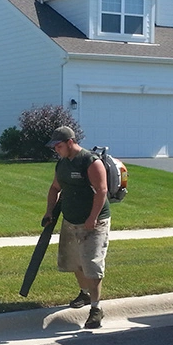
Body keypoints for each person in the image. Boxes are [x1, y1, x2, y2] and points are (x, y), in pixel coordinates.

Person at [42, 126, 111, 329]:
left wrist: (92, 217)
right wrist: (49, 211)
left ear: (70, 142)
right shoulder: (62, 163)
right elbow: (55, 188)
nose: (56, 149)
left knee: (92, 264)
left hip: (94, 223)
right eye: (54, 146)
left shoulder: (90, 161)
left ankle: (96, 309)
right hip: (70, 221)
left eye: (59, 146)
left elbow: (102, 191)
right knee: (74, 261)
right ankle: (85, 293)